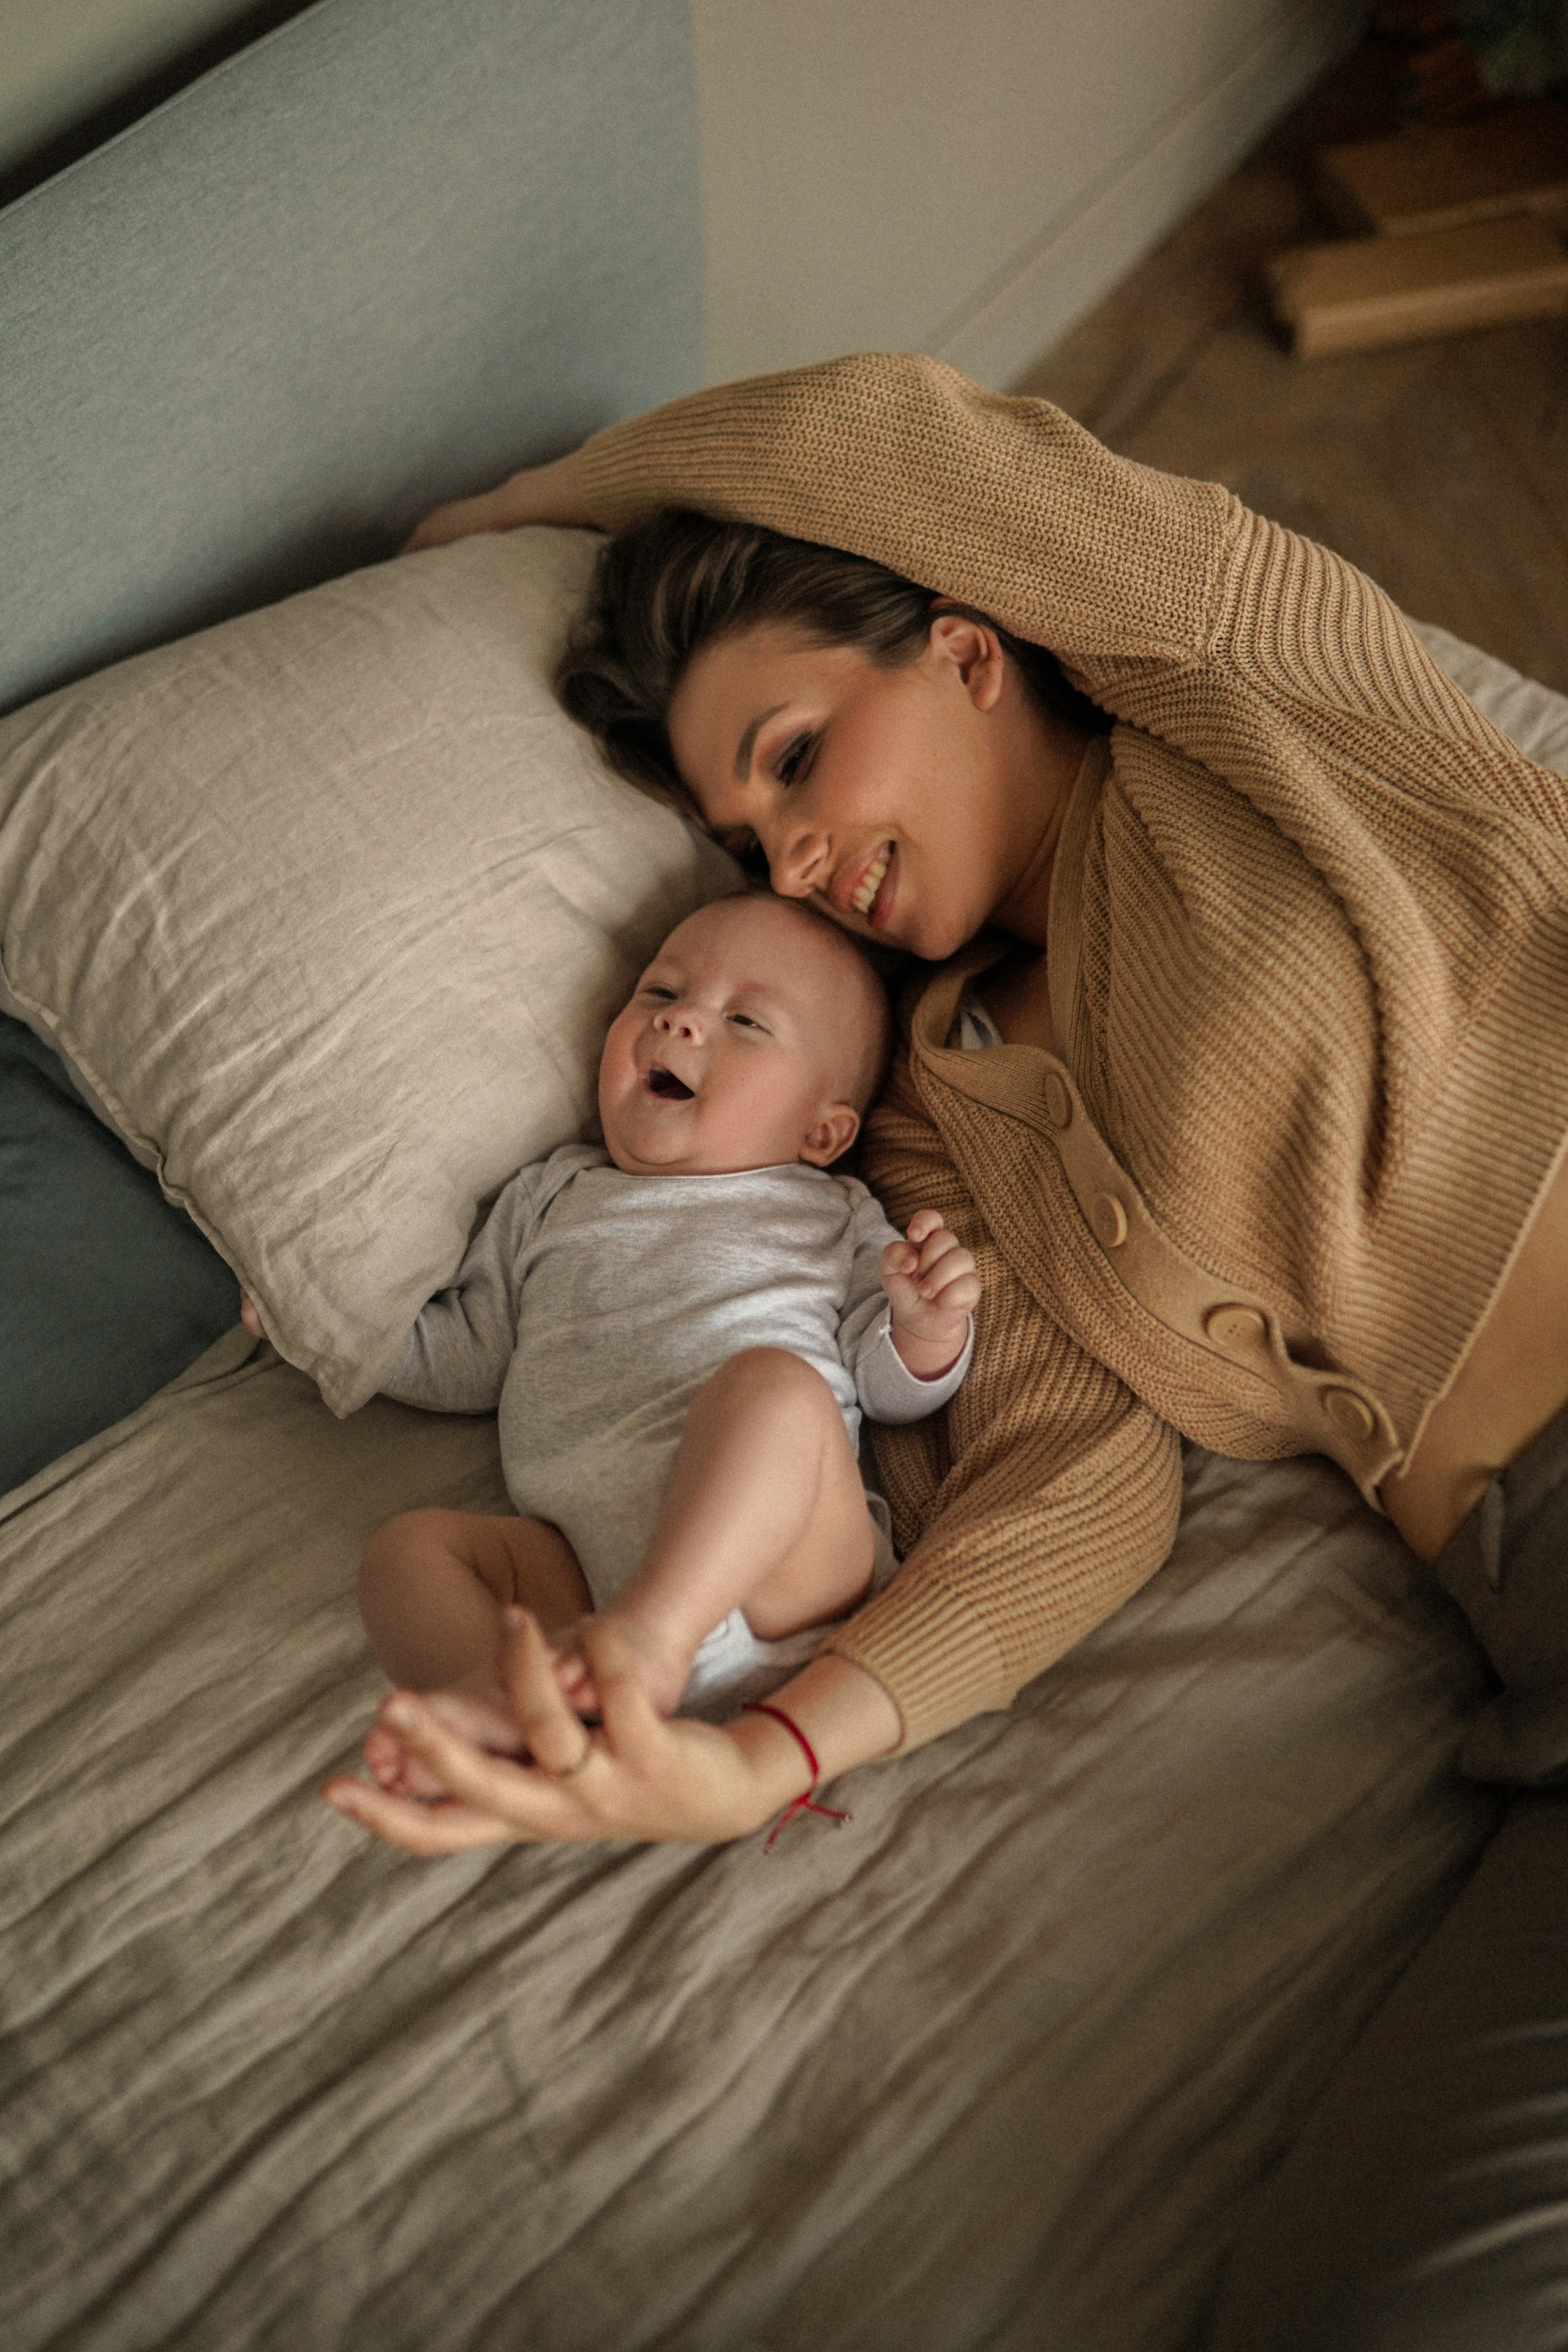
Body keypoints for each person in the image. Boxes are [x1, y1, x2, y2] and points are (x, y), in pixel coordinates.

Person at [317, 353, 1568, 2342]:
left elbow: (891, 436)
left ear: (971, 647)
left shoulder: (1226, 705)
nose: (792, 859)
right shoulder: (927, 1109)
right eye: (749, 839)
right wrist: (756, 1760)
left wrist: (528, 505)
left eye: (798, 758)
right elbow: (1070, 1484)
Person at [349, 888, 978, 1804]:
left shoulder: (831, 1213)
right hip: (586, 1580)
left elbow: (889, 1389)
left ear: (822, 1131)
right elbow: (472, 1357)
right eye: (660, 993)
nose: (680, 1021)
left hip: (784, 1580)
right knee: (407, 1553)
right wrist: (347, 1333)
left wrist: (924, 1330)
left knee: (775, 1389)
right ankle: (509, 1710)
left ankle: (657, 1635)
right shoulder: (551, 1196)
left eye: (745, 1020)